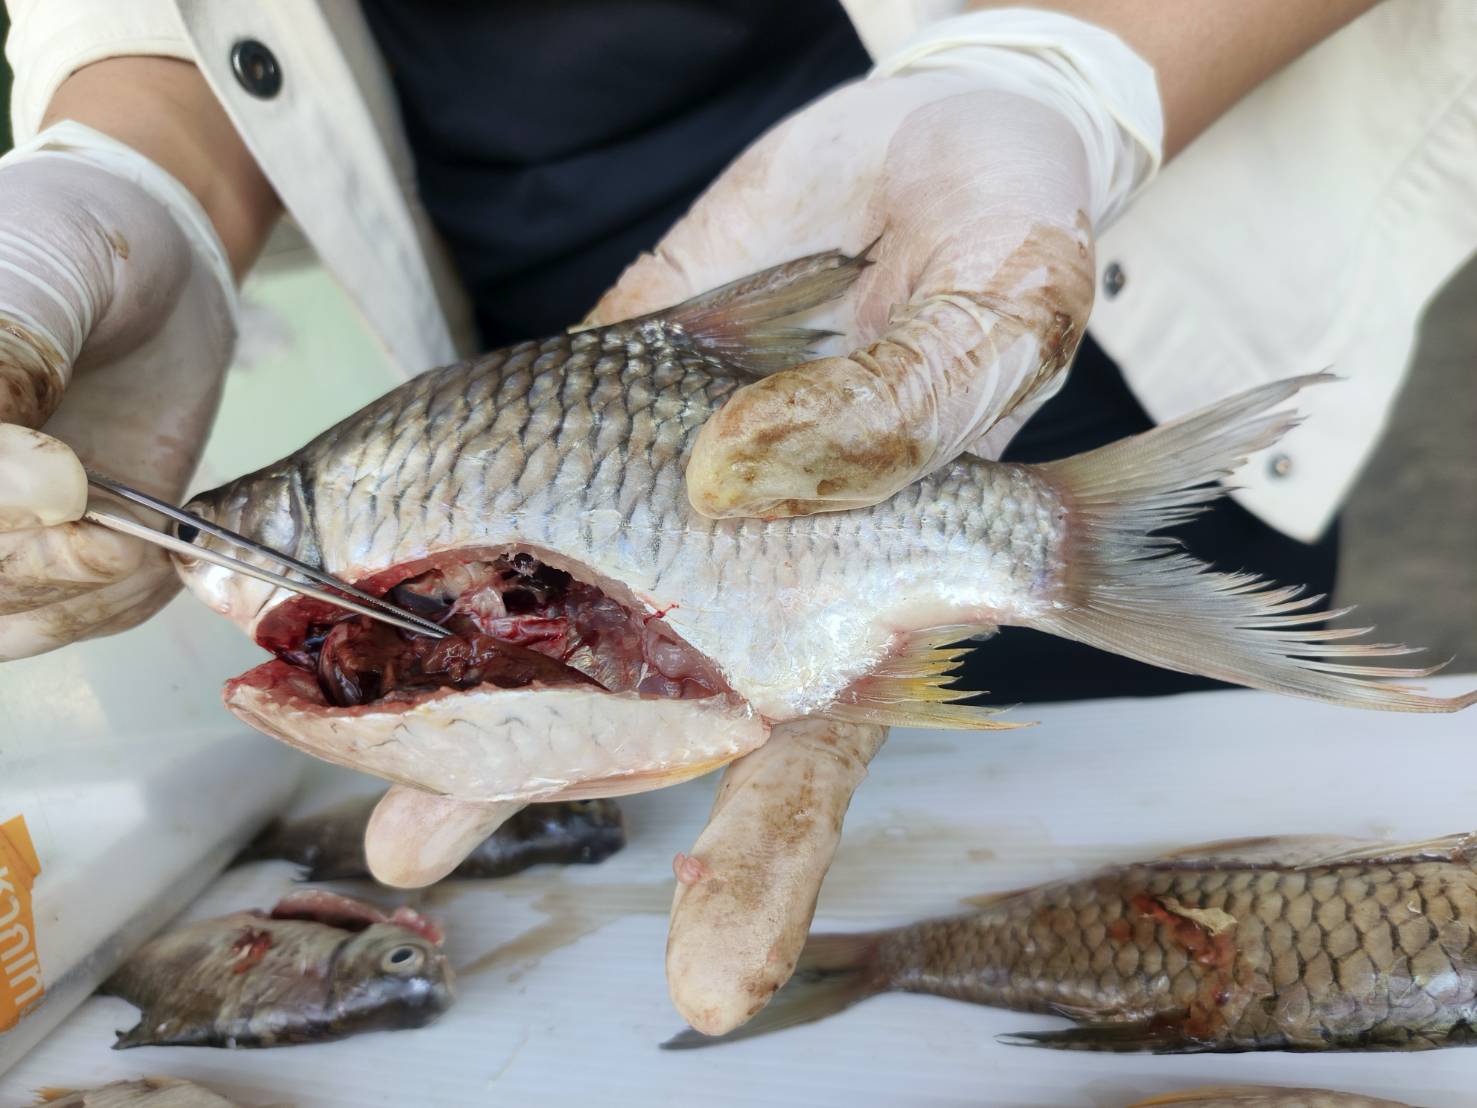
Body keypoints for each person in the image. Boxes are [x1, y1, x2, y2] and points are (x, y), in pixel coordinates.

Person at [1, 0, 1474, 1038]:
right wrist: (128, 175)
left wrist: (1070, 76)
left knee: (1188, 819)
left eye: (246, 527)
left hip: (1072, 239)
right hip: (566, 305)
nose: (219, 558)